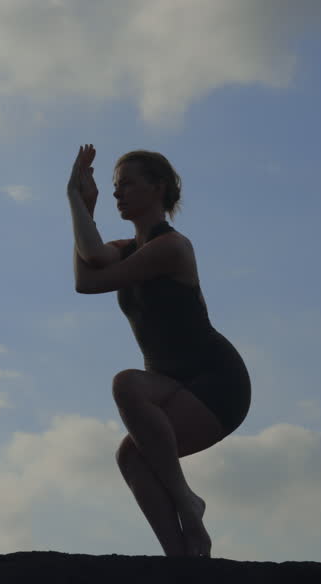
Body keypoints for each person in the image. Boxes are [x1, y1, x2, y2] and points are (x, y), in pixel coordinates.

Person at [66, 144, 250, 558]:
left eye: (127, 184)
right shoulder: (124, 248)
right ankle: (181, 558)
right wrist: (81, 206)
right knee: (131, 457)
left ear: (159, 188)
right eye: (115, 187)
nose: (118, 193)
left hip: (217, 383)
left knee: (126, 384)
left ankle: (187, 499)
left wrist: (75, 203)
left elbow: (94, 266)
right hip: (171, 384)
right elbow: (86, 277)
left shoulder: (172, 247)